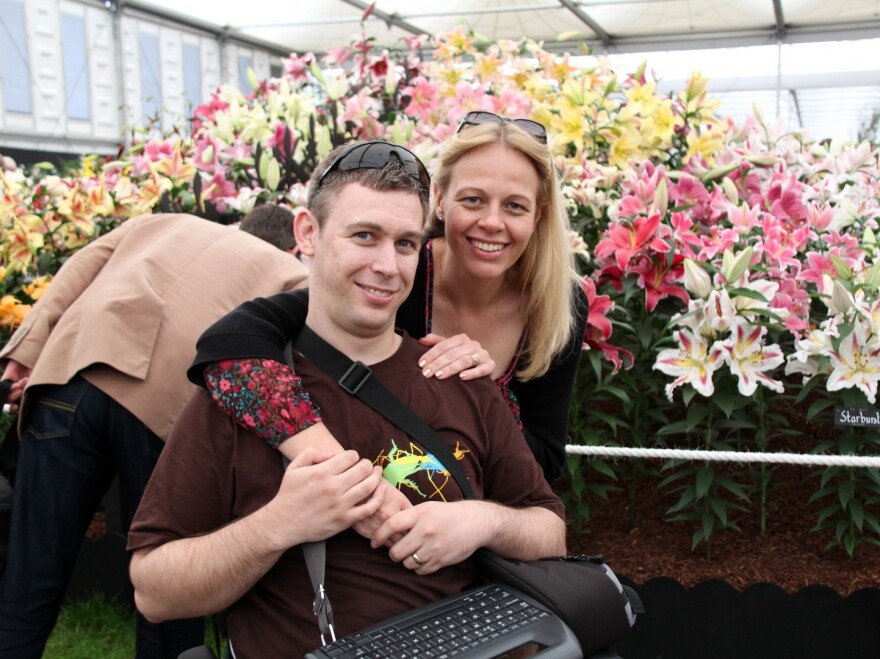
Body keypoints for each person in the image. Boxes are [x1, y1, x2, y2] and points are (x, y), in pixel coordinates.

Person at [127, 141, 567, 657]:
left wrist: (481, 522)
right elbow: (153, 591)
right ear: (308, 234)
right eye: (365, 236)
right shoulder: (242, 395)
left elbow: (549, 531)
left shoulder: (461, 378)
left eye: (405, 244)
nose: (387, 265)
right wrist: (279, 524)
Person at [188, 111, 589, 482]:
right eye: (473, 200)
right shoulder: (397, 270)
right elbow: (233, 338)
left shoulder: (558, 301)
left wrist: (484, 394)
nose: (491, 222)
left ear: (537, 216)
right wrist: (335, 467)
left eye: (515, 206)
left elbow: (545, 462)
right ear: (440, 201)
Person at [0, 211, 309, 659]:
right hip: (167, 403)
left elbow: (82, 266)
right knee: (167, 594)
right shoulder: (293, 273)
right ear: (298, 243)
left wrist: (26, 352)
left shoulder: (166, 221)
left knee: (30, 578)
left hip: (73, 371)